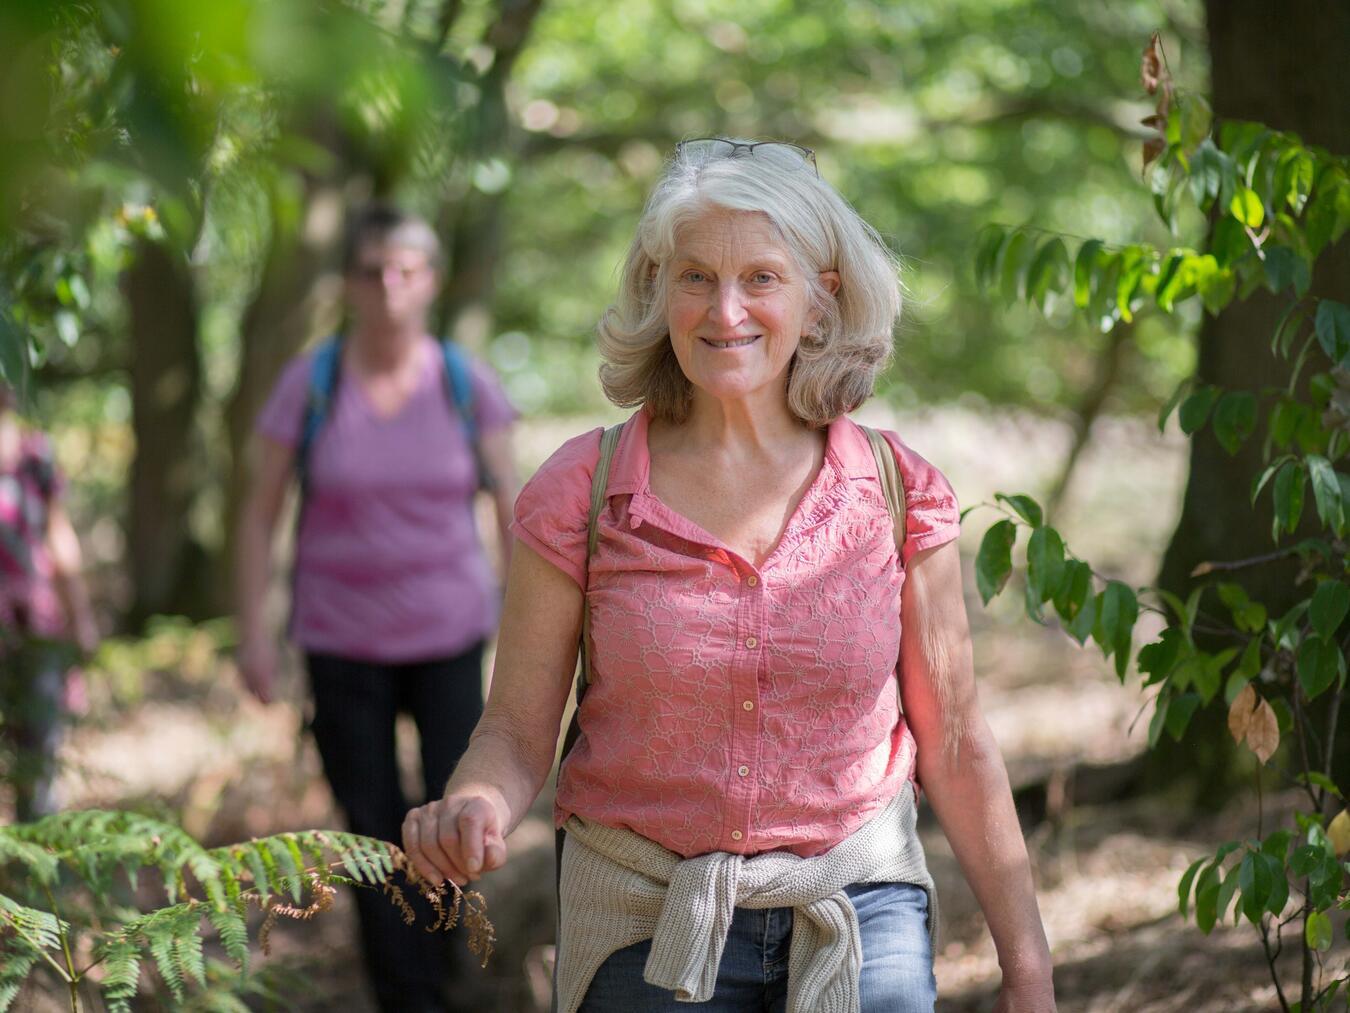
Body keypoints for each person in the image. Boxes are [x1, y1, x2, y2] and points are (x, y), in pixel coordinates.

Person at [402, 139, 1056, 1012]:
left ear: (821, 297)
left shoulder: (898, 491)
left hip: (859, 905)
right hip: (641, 918)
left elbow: (959, 740)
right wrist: (473, 804)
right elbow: (517, 731)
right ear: (658, 289)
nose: (726, 310)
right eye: (696, 277)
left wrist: (1028, 965)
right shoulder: (582, 491)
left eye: (762, 278)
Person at [235, 205, 519, 1012]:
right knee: (369, 830)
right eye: (372, 270)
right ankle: (410, 994)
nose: (389, 285)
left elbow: (513, 509)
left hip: (450, 637)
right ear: (349, 283)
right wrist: (254, 633)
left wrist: (534, 631)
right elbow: (257, 512)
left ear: (431, 281)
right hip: (341, 641)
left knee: (454, 810)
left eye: (406, 269)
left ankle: (451, 964)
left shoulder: (464, 382)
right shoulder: (312, 380)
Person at [0, 382, 99, 822]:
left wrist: (81, 617)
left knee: (38, 754)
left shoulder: (35, 455)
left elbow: (58, 536)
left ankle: (33, 878)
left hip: (35, 627)